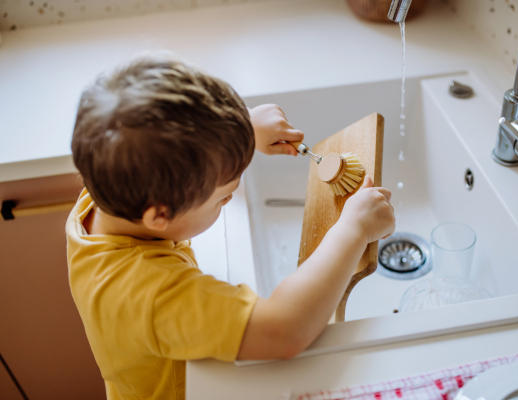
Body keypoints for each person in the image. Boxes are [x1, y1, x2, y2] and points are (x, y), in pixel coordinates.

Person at [66, 54, 395, 399]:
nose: (228, 199)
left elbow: (167, 139)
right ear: (159, 216)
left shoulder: (107, 193)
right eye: (223, 198)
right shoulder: (150, 294)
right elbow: (284, 329)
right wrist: (353, 229)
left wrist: (240, 132)